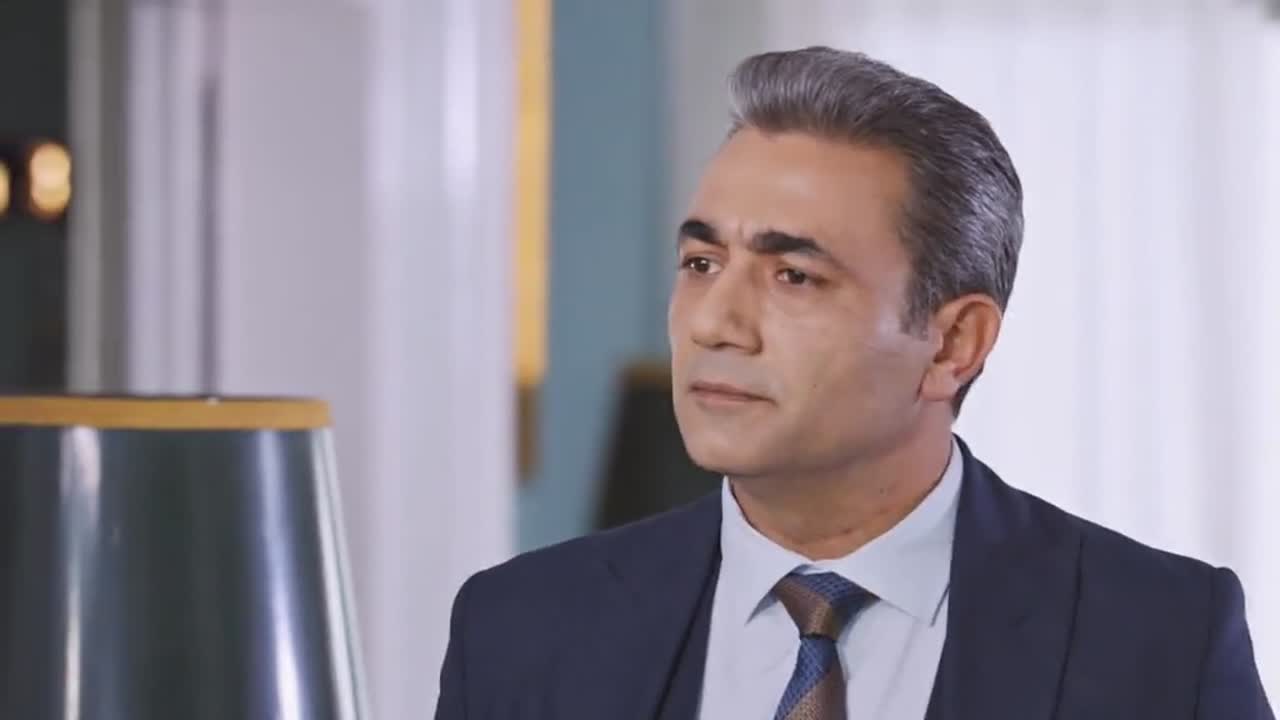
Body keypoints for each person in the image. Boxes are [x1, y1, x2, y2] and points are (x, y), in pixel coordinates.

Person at [434, 47, 1274, 719]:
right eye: (701, 263)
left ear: (953, 344)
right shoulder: (520, 628)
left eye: (793, 276)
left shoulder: (1158, 638)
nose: (714, 323)